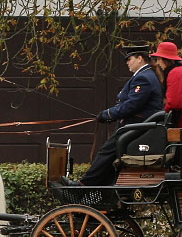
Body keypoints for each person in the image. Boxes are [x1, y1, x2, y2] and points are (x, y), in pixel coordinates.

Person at [61, 46, 164, 186]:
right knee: (110, 152)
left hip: (137, 126)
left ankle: (85, 184)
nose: (127, 62)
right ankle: (104, 186)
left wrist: (107, 114)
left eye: (129, 59)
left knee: (107, 151)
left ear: (140, 59)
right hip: (137, 125)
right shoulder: (146, 75)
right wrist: (109, 114)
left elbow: (131, 105)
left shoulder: (143, 78)